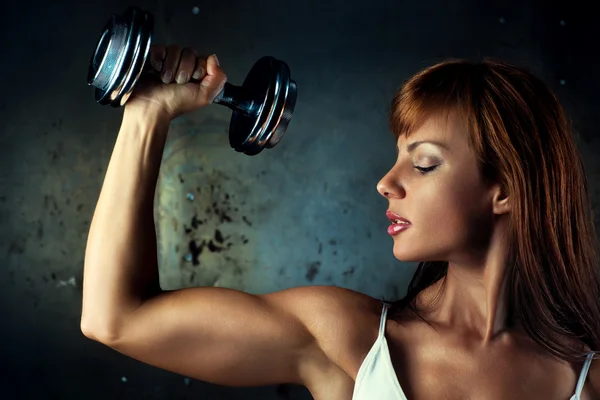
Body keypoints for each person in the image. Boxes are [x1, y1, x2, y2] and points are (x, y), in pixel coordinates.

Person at [81, 44, 600, 399]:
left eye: (423, 163)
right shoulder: (345, 340)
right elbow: (116, 319)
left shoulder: (587, 379)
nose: (386, 182)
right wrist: (147, 115)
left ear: (505, 188)